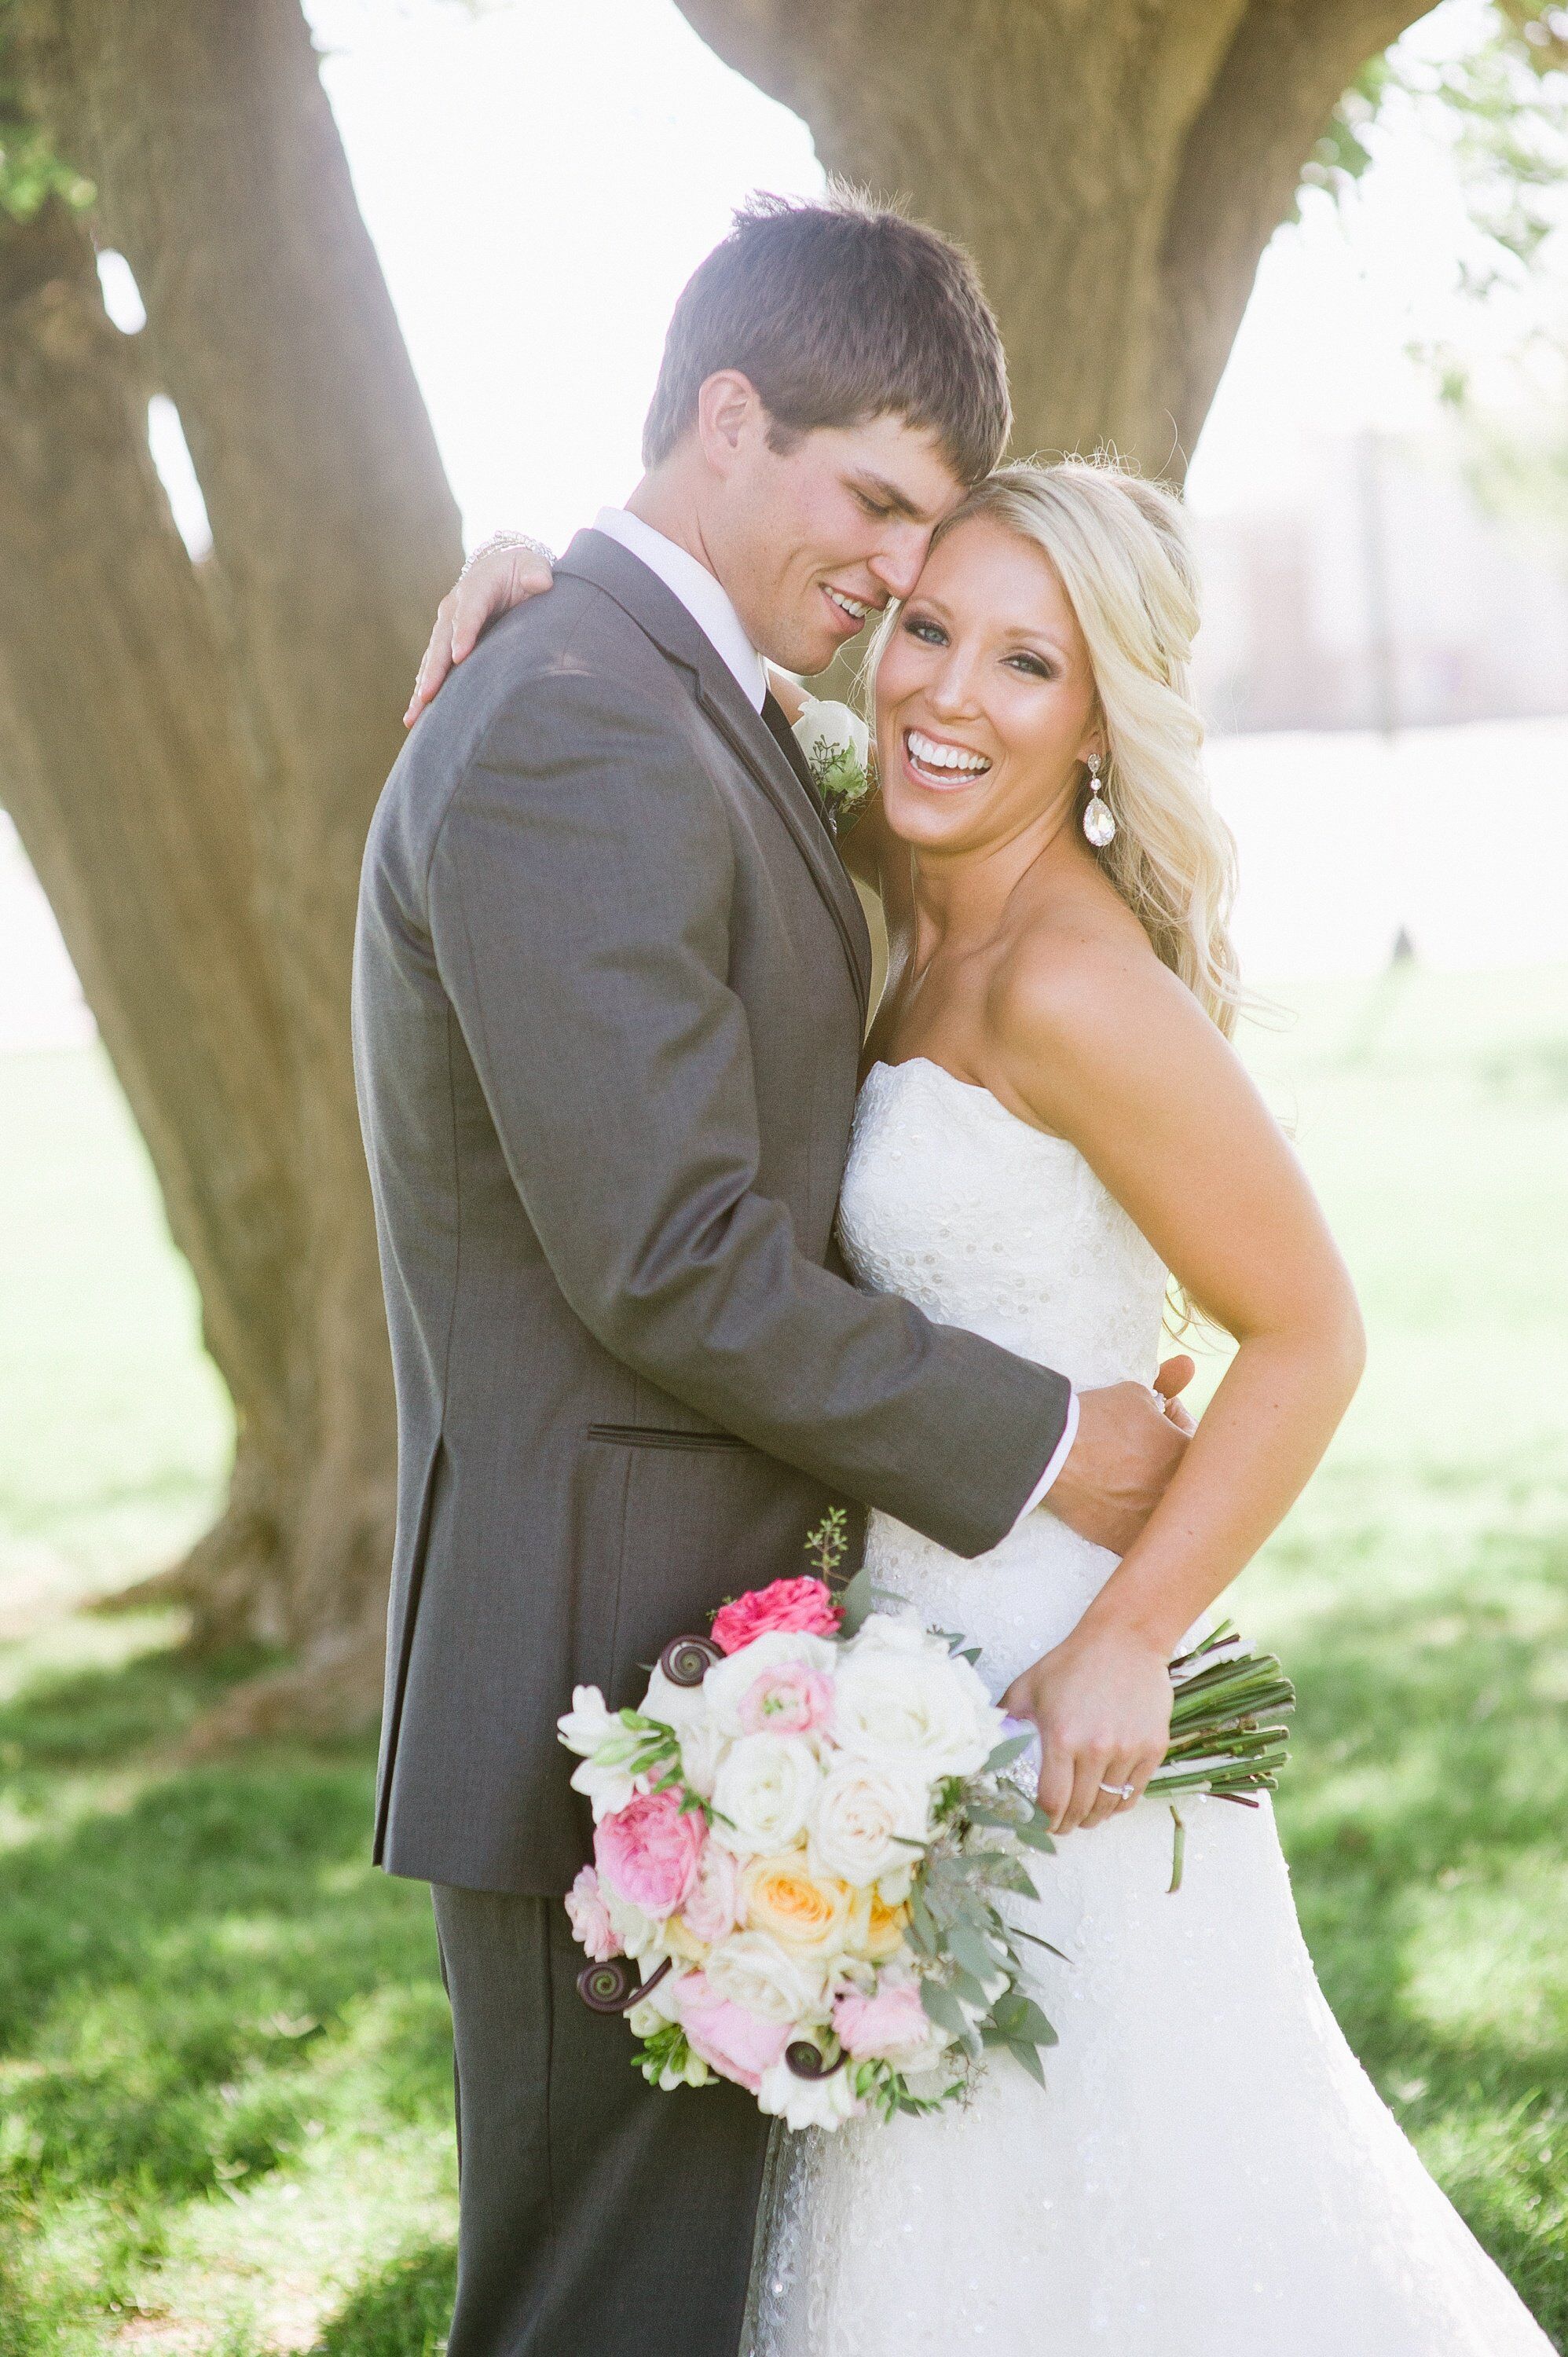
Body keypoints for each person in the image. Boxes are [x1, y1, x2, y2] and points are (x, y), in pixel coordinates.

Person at [417, 455, 1556, 2348]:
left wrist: (1128, 1645)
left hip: (1054, 1704)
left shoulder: (1072, 985)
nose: (949, 695)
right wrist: (524, 570)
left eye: (1027, 666)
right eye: (928, 631)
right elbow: (697, 681)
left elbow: (1309, 1334)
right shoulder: (880, 868)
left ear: (1102, 718)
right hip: (896, 1678)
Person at [353, 190, 1192, 2357]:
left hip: (708, 1668)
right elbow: (669, 1259)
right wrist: (1040, 1445)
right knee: (594, 2314)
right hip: (595, 1692)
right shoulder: (575, 712)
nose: (902, 576)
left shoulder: (662, 690)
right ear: (726, 414)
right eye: (877, 503)